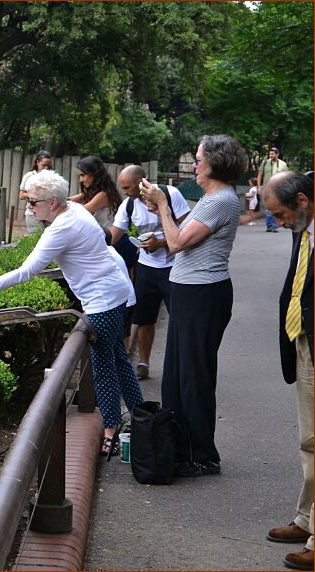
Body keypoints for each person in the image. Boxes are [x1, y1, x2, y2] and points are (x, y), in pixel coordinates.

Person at [0, 169, 143, 456]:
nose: (28, 207)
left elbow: (27, 271)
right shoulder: (76, 209)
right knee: (118, 357)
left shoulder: (61, 228)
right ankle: (142, 417)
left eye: (33, 202)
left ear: (52, 203)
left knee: (104, 365)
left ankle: (110, 431)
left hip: (103, 299)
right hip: (114, 291)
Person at [140, 134, 246, 477]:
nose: (195, 165)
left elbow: (177, 244)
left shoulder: (221, 200)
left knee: (194, 375)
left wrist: (164, 208)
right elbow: (176, 239)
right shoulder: (210, 197)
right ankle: (179, 445)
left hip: (204, 293)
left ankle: (203, 454)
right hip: (190, 290)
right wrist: (159, 223)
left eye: (199, 160)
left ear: (215, 163)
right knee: (176, 375)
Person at [262, 170, 313, 571]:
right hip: (303, 340)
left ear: (301, 201)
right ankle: (307, 520)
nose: (277, 224)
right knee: (310, 440)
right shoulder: (304, 224)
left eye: (279, 215)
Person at [110, 165, 190, 380]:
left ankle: (182, 364)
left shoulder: (170, 194)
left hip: (175, 264)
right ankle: (143, 363)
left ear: (140, 182)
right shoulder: (128, 205)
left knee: (179, 316)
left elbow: (189, 229)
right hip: (146, 265)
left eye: (127, 187)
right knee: (144, 317)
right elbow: (113, 236)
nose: (124, 192)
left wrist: (161, 243)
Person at [70, 156, 123, 229]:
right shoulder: (93, 193)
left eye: (83, 175)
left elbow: (79, 213)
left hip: (110, 238)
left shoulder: (103, 195)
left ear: (95, 174)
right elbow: (68, 200)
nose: (80, 180)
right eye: (79, 176)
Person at [19, 150, 53, 234]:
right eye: (44, 165)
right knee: (37, 239)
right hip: (33, 213)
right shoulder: (29, 176)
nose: (46, 168)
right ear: (37, 162)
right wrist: (33, 195)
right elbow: (21, 195)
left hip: (49, 213)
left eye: (48, 166)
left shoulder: (52, 176)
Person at [258, 147, 288, 233]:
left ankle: (274, 225)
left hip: (278, 188)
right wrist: (259, 186)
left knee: (277, 206)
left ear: (277, 154)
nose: (271, 155)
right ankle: (270, 226)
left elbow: (286, 176)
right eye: (270, 154)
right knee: (268, 206)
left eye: (273, 154)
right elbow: (260, 175)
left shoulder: (283, 164)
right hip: (267, 187)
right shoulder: (264, 163)